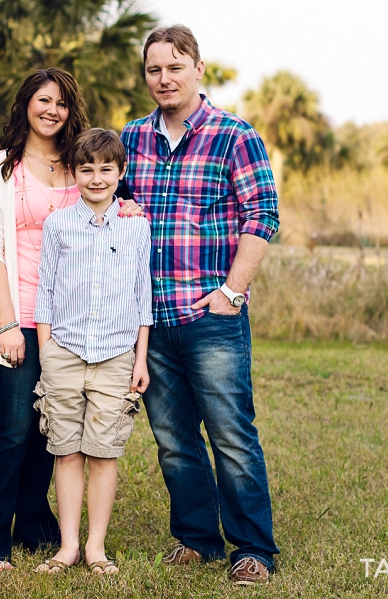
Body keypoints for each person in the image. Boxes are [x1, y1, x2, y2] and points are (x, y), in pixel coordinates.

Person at [119, 25, 280, 585]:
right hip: (152, 322)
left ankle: (253, 548)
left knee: (232, 435)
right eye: (153, 69)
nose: (164, 78)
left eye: (174, 66)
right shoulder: (132, 137)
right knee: (174, 440)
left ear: (198, 68)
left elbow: (263, 216)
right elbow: (114, 206)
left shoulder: (235, 136)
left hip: (212, 317)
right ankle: (196, 538)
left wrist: (232, 292)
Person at [0, 68, 144, 571]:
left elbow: (111, 202)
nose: (52, 110)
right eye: (43, 100)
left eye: (62, 103)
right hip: (16, 313)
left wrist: (128, 207)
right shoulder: (0, 170)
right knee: (15, 426)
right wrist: (7, 324)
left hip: (72, 324)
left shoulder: (78, 164)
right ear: (26, 104)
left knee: (55, 430)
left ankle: (36, 523)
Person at [32, 128, 152, 575]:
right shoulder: (59, 224)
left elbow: (144, 298)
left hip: (117, 354)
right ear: (75, 173)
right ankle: (67, 547)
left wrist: (140, 359)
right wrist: (46, 352)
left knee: (104, 452)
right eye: (87, 169)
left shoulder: (137, 226)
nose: (97, 178)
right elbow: (45, 292)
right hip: (64, 351)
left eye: (106, 169)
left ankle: (96, 547)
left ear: (122, 172)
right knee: (67, 451)